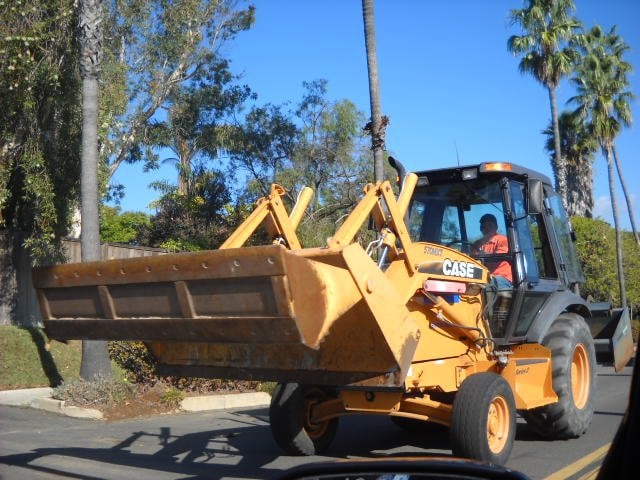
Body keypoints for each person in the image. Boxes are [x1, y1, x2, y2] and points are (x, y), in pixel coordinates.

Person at [471, 213, 512, 288]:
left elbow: (498, 257)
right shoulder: (476, 244)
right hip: (481, 277)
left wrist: (481, 256)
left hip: (502, 277)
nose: (486, 227)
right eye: (483, 225)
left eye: (489, 225)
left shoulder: (502, 240)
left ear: (496, 227)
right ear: (480, 228)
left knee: (480, 286)